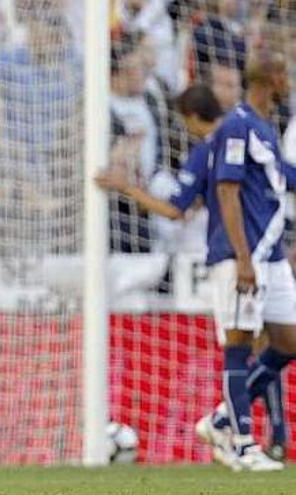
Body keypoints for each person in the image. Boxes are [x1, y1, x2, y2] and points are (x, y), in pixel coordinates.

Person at [97, 83, 291, 463]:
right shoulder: (250, 133)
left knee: (271, 342)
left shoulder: (210, 148)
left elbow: (175, 209)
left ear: (189, 118)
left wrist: (127, 188)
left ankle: (233, 427)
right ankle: (248, 438)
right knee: (255, 344)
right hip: (255, 256)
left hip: (242, 258)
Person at [195, 51, 293, 472]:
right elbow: (227, 192)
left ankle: (221, 419)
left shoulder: (265, 130)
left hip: (271, 255)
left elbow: (282, 179)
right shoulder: (236, 125)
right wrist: (242, 258)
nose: (289, 81)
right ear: (269, 78)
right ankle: (243, 444)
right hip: (244, 256)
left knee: (289, 341)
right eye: (284, 73)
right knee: (237, 344)